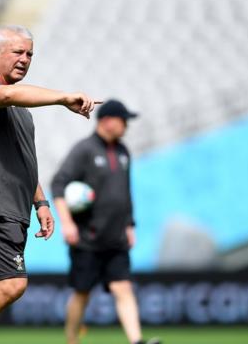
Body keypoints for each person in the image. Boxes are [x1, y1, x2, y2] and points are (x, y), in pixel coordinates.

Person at [0, 25, 98, 344]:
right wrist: (62, 97)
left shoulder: (21, 113)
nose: (25, 59)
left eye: (30, 54)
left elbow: (23, 160)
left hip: (13, 208)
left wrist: (41, 202)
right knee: (13, 284)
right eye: (17, 52)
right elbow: (5, 94)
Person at [51, 99, 160, 344]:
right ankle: (71, 339)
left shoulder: (123, 151)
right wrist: (67, 223)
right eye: (124, 121)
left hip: (116, 239)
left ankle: (136, 341)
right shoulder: (84, 150)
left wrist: (130, 224)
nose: (126, 127)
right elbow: (58, 184)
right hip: (87, 238)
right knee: (82, 294)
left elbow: (125, 191)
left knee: (123, 288)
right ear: (108, 121)